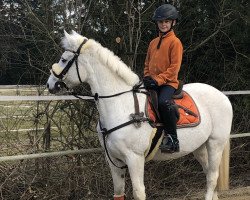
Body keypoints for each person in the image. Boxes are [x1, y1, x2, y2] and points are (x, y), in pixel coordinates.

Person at [143, 4, 183, 153]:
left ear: (173, 23)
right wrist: (147, 77)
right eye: (161, 22)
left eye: (167, 21)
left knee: (163, 102)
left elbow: (174, 69)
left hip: (168, 83)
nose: (164, 24)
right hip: (153, 81)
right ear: (157, 23)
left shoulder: (175, 42)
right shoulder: (153, 43)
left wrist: (158, 80)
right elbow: (147, 63)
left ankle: (173, 139)